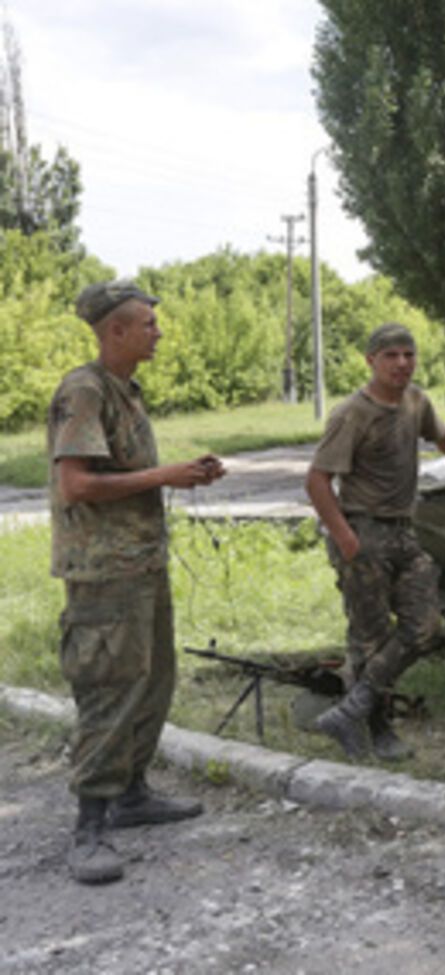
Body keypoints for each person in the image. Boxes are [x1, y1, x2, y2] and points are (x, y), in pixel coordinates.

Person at [48, 279, 227, 885]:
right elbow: (76, 484)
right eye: (147, 324)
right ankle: (90, 828)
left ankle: (131, 794)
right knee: (110, 690)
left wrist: (180, 474)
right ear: (116, 330)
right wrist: (164, 476)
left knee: (152, 682)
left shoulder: (125, 391)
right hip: (104, 573)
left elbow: (126, 472)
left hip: (140, 564)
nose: (158, 331)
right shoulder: (85, 390)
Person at [305, 322, 445, 762]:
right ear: (371, 361)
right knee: (369, 638)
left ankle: (351, 709)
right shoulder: (353, 413)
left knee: (425, 627)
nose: (402, 363)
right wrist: (346, 538)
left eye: (409, 354)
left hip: (403, 533)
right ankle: (376, 730)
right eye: (391, 355)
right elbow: (317, 481)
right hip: (364, 531)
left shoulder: (415, 402)